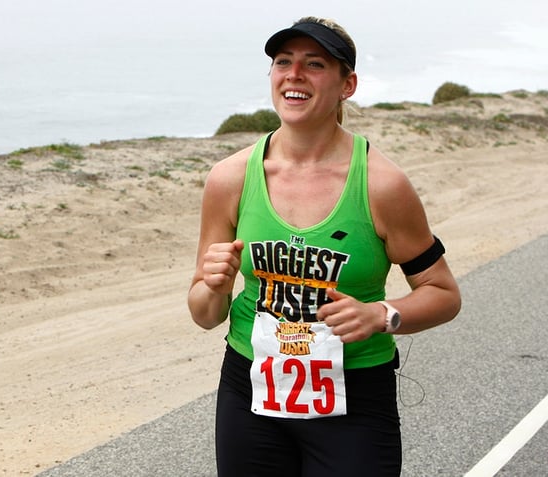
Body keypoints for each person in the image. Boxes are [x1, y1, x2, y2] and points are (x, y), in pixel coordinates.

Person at [187, 17, 461, 476]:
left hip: (353, 398)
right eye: (283, 62)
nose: (294, 75)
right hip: (251, 392)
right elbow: (204, 315)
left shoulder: (382, 185)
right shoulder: (230, 178)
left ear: (347, 84)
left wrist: (382, 315)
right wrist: (214, 287)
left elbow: (444, 293)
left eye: (314, 64)